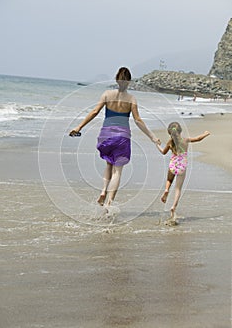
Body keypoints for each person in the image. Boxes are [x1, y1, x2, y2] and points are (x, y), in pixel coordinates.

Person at [69, 67, 160, 208]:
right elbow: (138, 120)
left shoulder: (106, 94)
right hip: (122, 138)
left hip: (105, 136)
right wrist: (153, 137)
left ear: (116, 79)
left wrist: (79, 127)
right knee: (117, 171)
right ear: (129, 81)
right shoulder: (131, 99)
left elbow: (94, 112)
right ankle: (109, 203)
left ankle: (103, 191)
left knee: (108, 164)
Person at [156, 122, 210, 220]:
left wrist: (157, 145)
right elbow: (198, 139)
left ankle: (166, 189)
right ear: (180, 131)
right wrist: (205, 133)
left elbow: (163, 152)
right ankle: (173, 207)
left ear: (170, 132)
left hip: (173, 164)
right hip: (182, 166)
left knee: (169, 180)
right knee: (178, 189)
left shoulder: (170, 142)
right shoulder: (185, 140)